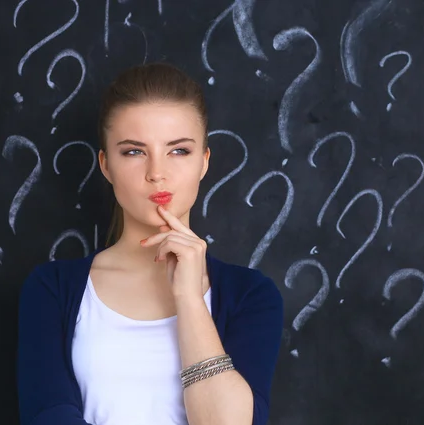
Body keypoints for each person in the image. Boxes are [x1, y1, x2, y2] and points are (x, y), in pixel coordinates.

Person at [16, 62, 284, 425]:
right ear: (106, 165)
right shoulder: (52, 290)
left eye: (178, 151)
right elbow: (48, 415)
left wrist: (189, 299)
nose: (157, 172)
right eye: (133, 151)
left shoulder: (252, 296)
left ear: (204, 162)